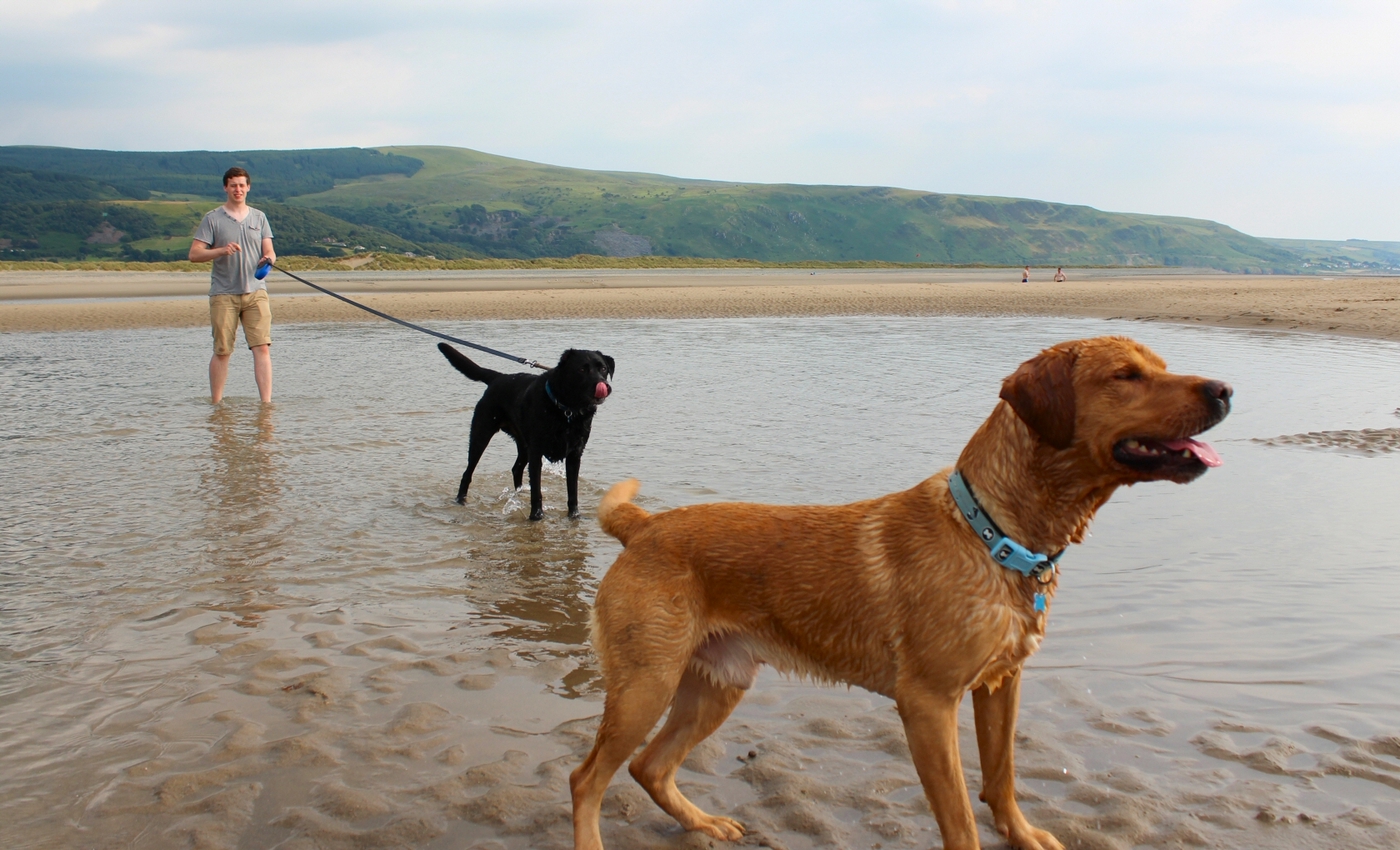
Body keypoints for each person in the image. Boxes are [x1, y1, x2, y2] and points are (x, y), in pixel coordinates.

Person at [189, 167, 276, 403]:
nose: (238, 189)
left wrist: (267, 259)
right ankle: (216, 403)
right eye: (233, 185)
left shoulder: (259, 217)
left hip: (256, 292)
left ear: (248, 187)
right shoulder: (212, 218)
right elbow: (194, 254)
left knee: (262, 348)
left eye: (242, 185)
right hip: (223, 294)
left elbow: (270, 251)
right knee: (222, 351)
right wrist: (221, 250)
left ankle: (266, 405)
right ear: (225, 188)